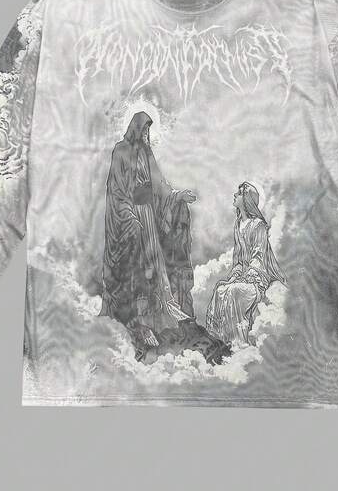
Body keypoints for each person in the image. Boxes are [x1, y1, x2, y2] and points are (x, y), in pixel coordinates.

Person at [99, 111, 197, 348]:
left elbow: (160, 185)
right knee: (139, 269)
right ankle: (140, 323)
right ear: (136, 129)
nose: (146, 134)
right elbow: (116, 191)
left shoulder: (147, 153)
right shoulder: (121, 151)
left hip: (149, 217)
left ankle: (162, 311)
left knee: (154, 266)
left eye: (148, 130)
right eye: (144, 130)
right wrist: (129, 216)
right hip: (131, 217)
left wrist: (177, 195)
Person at [205, 182, 287, 348]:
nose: (235, 195)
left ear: (247, 199)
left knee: (234, 291)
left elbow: (258, 256)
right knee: (221, 289)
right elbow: (238, 259)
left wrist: (248, 277)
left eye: (239, 193)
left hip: (258, 279)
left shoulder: (259, 225)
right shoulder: (237, 225)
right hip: (243, 276)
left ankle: (238, 342)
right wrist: (235, 276)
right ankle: (222, 340)